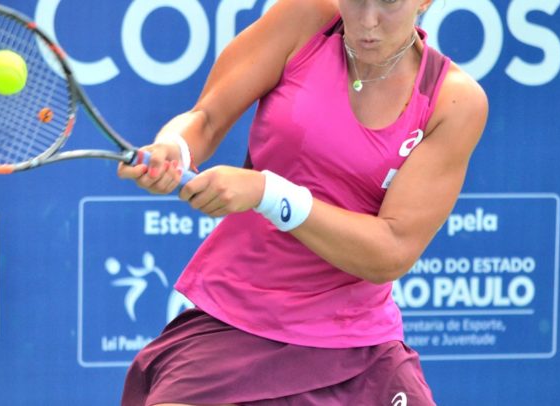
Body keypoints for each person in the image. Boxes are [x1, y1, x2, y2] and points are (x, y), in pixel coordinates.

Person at [117, 0, 487, 404]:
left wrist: (267, 193)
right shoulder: (302, 19)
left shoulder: (453, 101)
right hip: (236, 320)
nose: (367, 21)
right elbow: (205, 118)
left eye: (388, 2)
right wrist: (175, 148)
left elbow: (391, 250)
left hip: (358, 345)